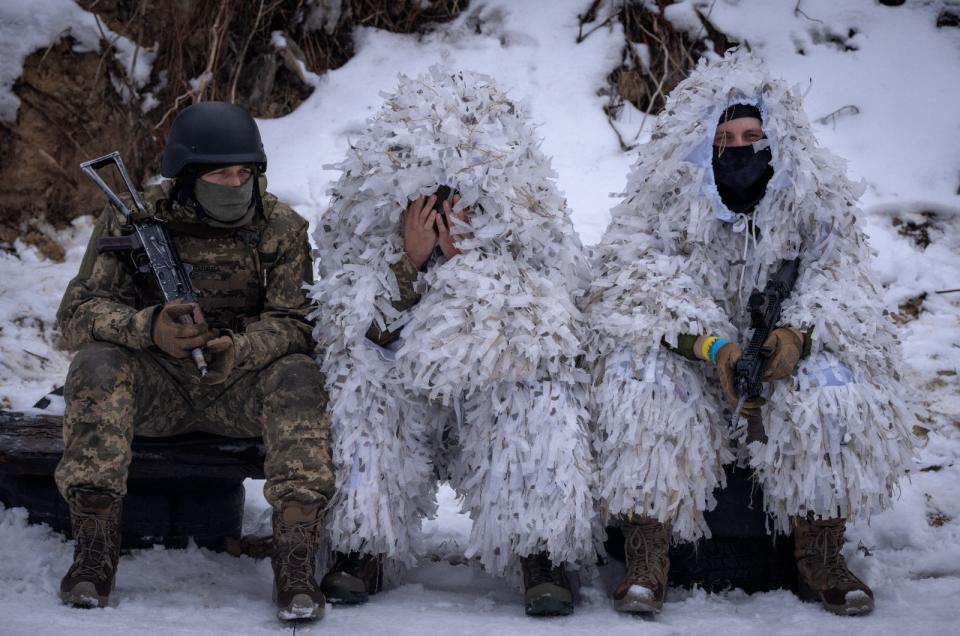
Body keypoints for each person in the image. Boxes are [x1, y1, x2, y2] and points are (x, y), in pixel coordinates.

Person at [585, 50, 915, 617]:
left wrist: (794, 339)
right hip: (696, 361)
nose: (739, 149)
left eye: (752, 135)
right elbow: (631, 286)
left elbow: (844, 285)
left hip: (780, 363)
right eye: (725, 137)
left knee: (834, 390)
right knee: (637, 383)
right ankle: (647, 552)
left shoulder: (814, 203)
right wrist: (710, 346)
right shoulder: (661, 202)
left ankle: (820, 552)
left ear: (776, 139)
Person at [310, 67, 598, 616]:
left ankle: (542, 552)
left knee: (538, 389)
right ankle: (361, 545)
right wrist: (408, 265)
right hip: (404, 392)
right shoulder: (364, 232)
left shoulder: (535, 231)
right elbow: (348, 325)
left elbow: (555, 324)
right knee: (362, 385)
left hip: (487, 397)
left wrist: (471, 269)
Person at [54, 101, 333, 621]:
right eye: (220, 173)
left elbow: (297, 323)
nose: (235, 183)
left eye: (244, 172)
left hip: (237, 388)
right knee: (95, 363)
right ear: (185, 175)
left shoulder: (280, 227)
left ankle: (295, 562)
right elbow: (74, 316)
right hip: (156, 389)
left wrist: (242, 348)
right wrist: (148, 327)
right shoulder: (136, 218)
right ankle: (93, 553)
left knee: (300, 375)